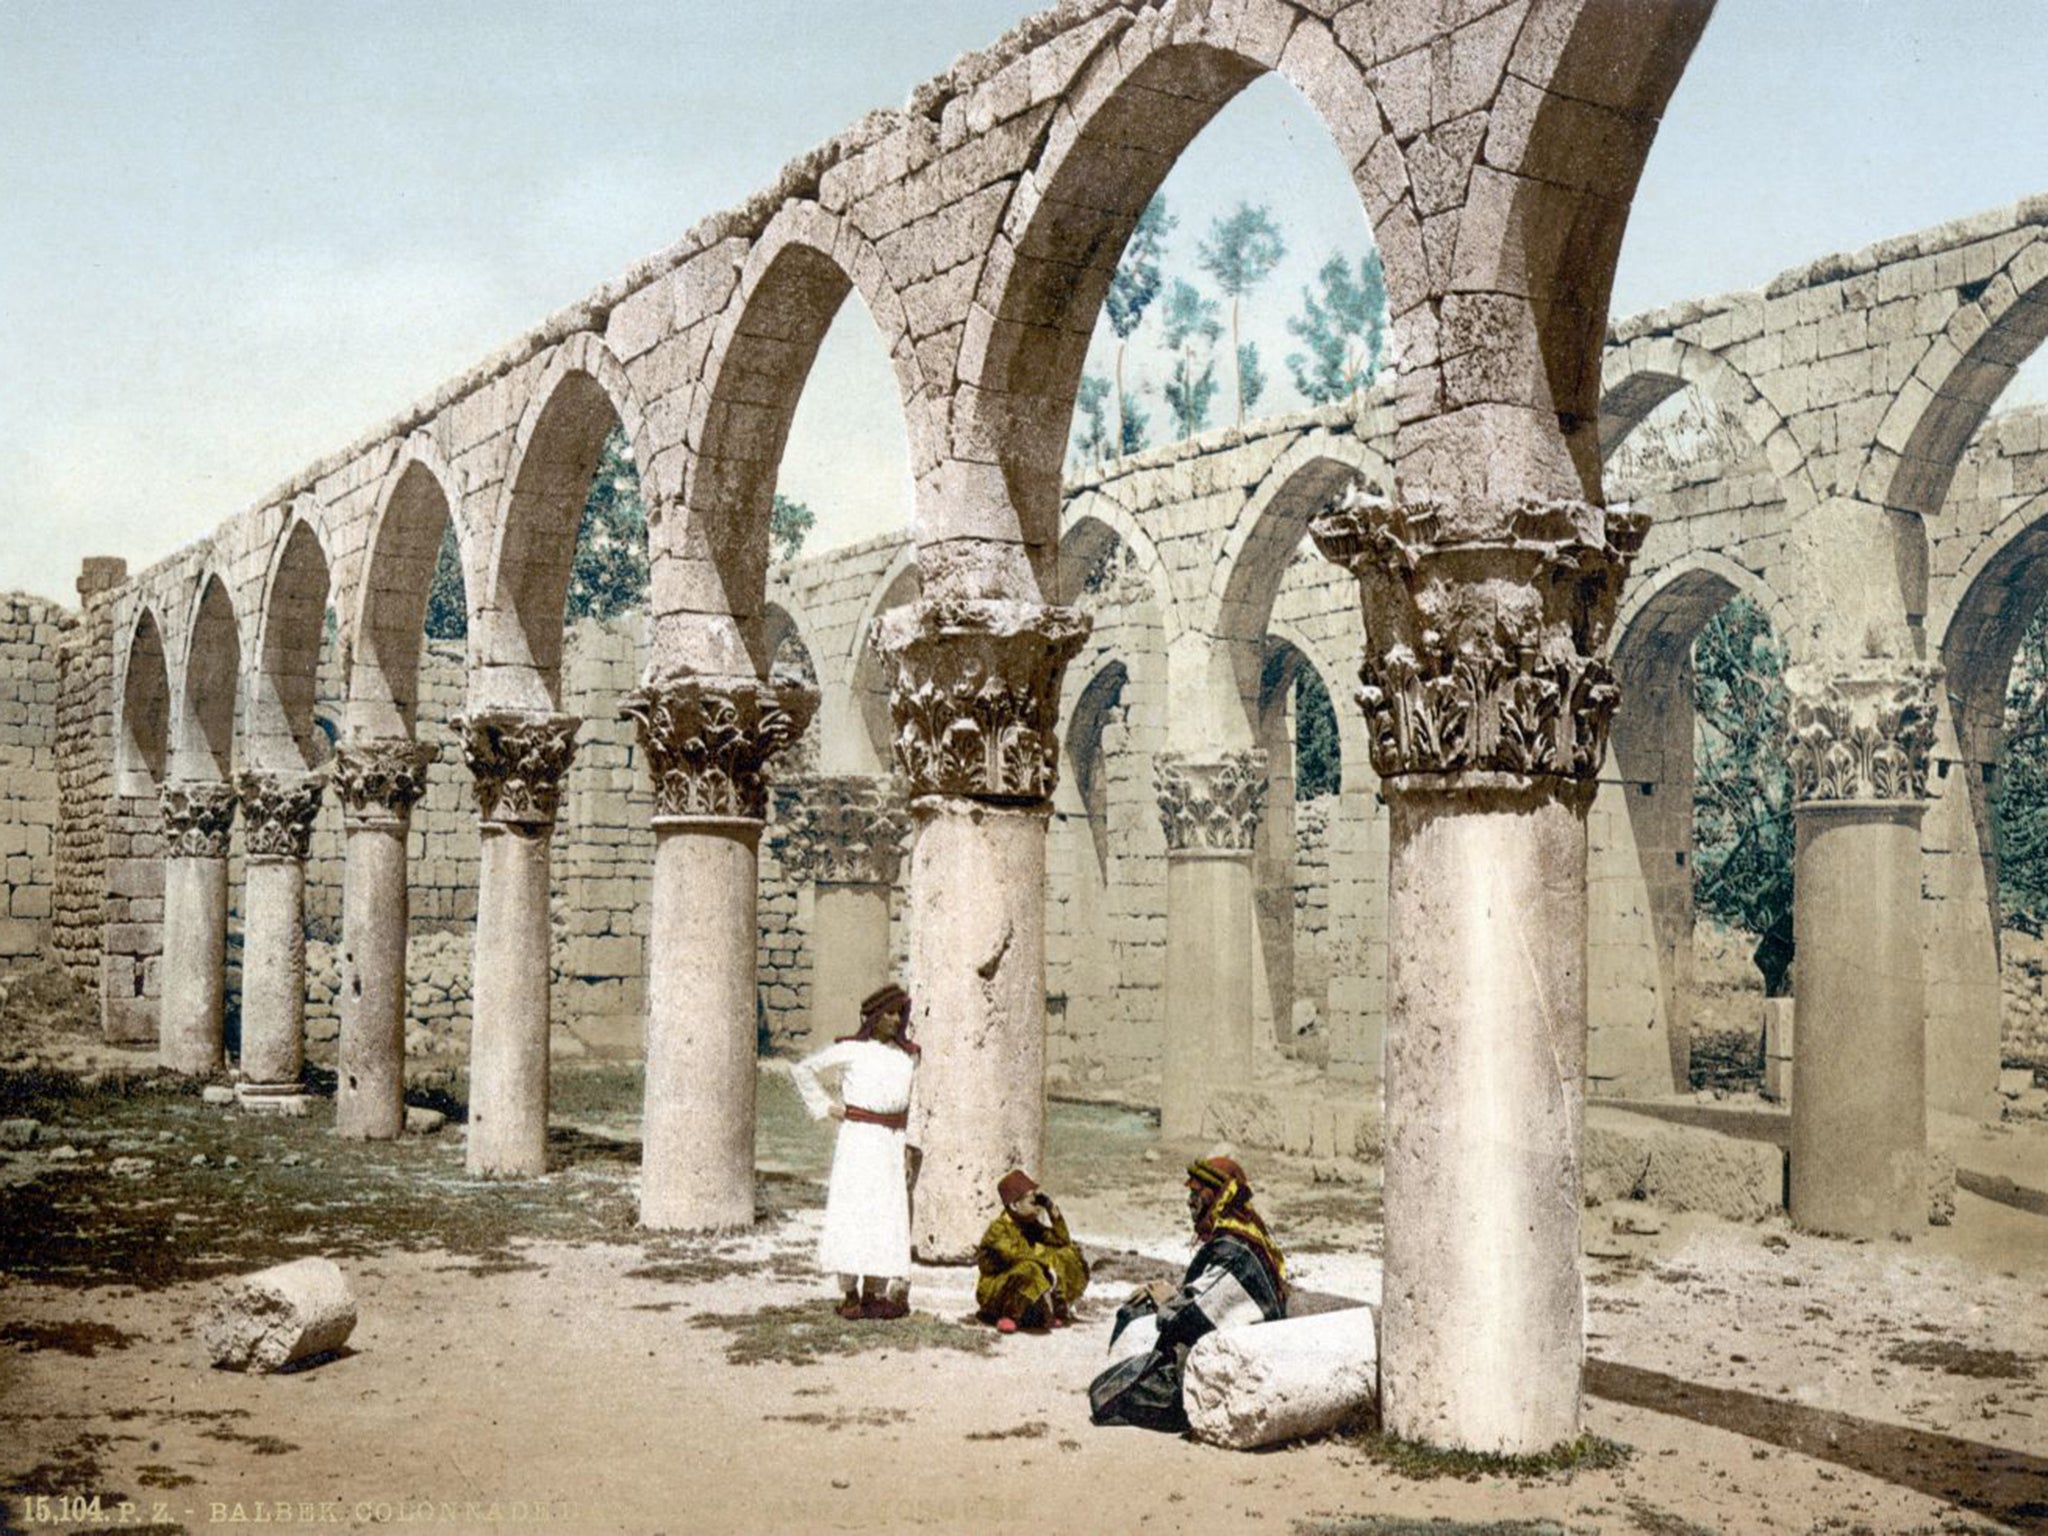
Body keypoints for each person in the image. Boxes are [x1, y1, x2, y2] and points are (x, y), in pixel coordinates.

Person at [1088, 1154, 1287, 1431]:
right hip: (1236, 1348)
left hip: (1231, 1368)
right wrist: (1169, 1295)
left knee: (1108, 1391)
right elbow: (1209, 1297)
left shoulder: (1233, 1252)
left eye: (1196, 1194)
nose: (1189, 1201)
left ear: (1218, 1196)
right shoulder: (1244, 1235)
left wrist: (1165, 1300)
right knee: (1139, 1317)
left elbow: (1188, 1319)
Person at [790, 982, 918, 1320]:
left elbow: (913, 1105)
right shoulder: (851, 1050)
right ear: (873, 1017)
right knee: (853, 1211)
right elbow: (803, 1070)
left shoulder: (907, 1056)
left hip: (891, 1141)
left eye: (899, 1013)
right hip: (859, 1139)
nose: (895, 1020)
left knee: (884, 1215)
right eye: (889, 1013)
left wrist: (907, 1147)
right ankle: (849, 1293)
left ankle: (874, 1293)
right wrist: (828, 1108)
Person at [974, 1169, 1089, 1334]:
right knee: (1029, 1268)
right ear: (1014, 1205)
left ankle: (1057, 1309)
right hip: (996, 1293)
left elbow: (1061, 1241)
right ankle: (1009, 1317)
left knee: (1067, 1254)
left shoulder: (1027, 1224)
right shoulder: (998, 1230)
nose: (1037, 1206)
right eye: (1032, 1202)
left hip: (1023, 1291)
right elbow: (1016, 1256)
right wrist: (1047, 1266)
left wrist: (1052, 1209)